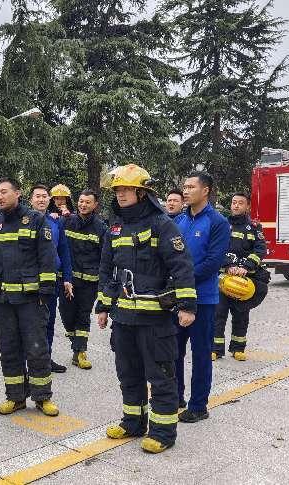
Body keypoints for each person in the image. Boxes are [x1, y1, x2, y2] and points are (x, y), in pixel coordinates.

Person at [96, 164, 197, 454]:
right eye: (118, 190)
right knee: (128, 374)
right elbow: (107, 269)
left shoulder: (161, 224)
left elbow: (181, 265)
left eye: (127, 189)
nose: (120, 194)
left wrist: (187, 306)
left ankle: (163, 432)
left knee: (161, 376)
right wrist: (103, 305)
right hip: (123, 319)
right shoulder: (115, 226)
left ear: (142, 193)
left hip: (155, 320)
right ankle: (133, 422)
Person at [0, 177, 60, 417]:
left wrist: (45, 294)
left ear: (18, 193)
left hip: (31, 300)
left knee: (37, 349)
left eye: (4, 192)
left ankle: (42, 397)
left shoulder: (36, 220)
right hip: (4, 299)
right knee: (9, 349)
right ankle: (15, 397)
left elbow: (47, 258)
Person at [173, 171, 230, 423]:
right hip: (176, 298)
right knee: (173, 351)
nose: (185, 191)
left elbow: (213, 262)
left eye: (190, 187)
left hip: (203, 300)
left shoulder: (218, 222)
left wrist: (183, 279)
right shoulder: (179, 220)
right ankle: (175, 397)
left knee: (201, 354)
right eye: (184, 187)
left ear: (205, 190)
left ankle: (198, 406)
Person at [213, 192, 269, 361]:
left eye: (240, 203)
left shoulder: (254, 227)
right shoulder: (222, 225)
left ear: (247, 206)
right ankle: (215, 349)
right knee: (218, 315)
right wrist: (228, 265)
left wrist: (246, 267)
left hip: (244, 280)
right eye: (234, 202)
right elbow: (216, 248)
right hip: (223, 279)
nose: (236, 205)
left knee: (241, 316)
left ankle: (238, 349)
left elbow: (260, 250)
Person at [58, 189, 107, 369]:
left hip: (89, 282)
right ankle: (76, 344)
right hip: (67, 280)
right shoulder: (66, 221)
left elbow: (105, 257)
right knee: (66, 314)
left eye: (88, 202)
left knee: (83, 315)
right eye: (81, 201)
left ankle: (80, 352)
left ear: (95, 205)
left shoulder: (101, 228)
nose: (83, 204)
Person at [30, 184, 73, 373]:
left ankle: (46, 358)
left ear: (49, 200)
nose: (41, 199)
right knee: (30, 323)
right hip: (30, 281)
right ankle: (31, 361)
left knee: (49, 321)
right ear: (31, 200)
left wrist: (67, 277)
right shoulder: (23, 221)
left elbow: (63, 250)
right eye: (37, 196)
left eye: (44, 196)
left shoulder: (56, 222)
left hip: (52, 281)